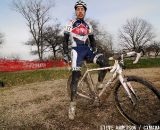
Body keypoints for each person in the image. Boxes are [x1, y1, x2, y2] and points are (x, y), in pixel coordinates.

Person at [63, 0, 109, 120]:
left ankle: (99, 84)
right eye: (78, 9)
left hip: (87, 50)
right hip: (75, 51)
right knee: (76, 76)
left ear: (85, 11)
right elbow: (65, 39)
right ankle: (72, 105)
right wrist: (65, 53)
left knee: (104, 61)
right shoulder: (70, 23)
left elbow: (92, 40)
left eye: (82, 9)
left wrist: (94, 48)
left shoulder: (89, 25)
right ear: (75, 11)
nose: (80, 11)